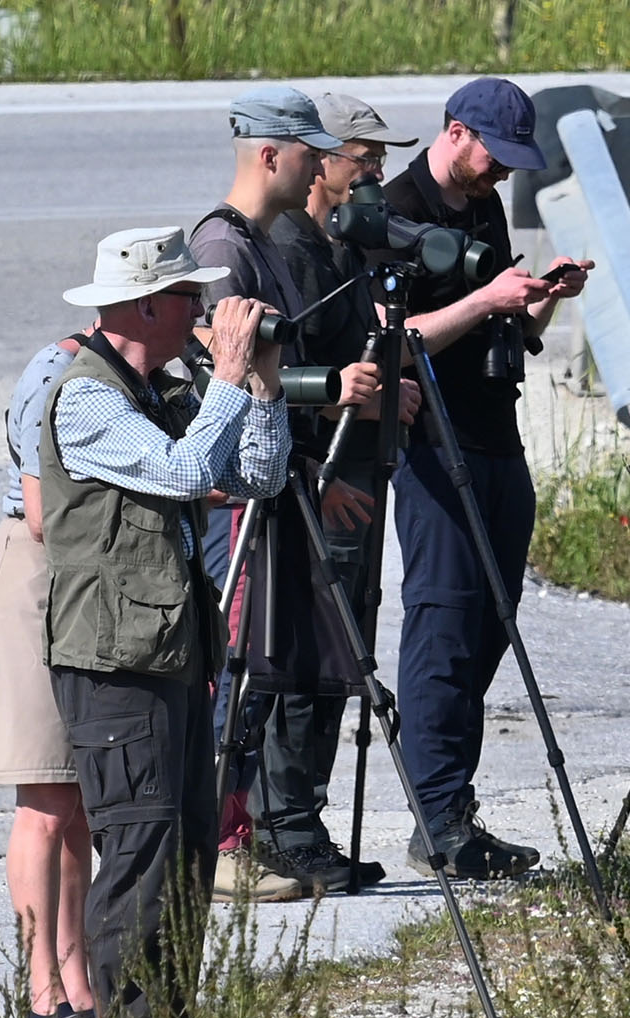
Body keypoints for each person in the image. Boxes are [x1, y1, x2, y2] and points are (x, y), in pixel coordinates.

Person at [40, 226, 290, 1018]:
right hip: (113, 667)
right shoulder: (87, 399)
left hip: (172, 654)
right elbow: (187, 477)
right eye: (190, 300)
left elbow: (254, 477)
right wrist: (224, 376)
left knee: (183, 868)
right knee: (141, 864)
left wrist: (257, 386)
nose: (203, 313)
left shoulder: (159, 391)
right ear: (146, 304)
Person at [378, 77, 592, 879]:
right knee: (443, 625)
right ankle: (438, 820)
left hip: (495, 437)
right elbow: (394, 341)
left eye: (512, 163)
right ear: (457, 132)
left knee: (492, 622)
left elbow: (499, 320)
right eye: (494, 157)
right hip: (435, 446)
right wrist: (485, 297)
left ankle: (452, 809)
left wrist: (539, 301)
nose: (502, 174)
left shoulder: (482, 206)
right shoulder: (396, 210)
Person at [189, 85, 386, 900]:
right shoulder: (222, 247)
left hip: (275, 480)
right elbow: (222, 377)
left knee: (266, 664)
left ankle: (247, 832)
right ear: (271, 154)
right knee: (237, 667)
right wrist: (329, 391)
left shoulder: (256, 242)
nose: (316, 161)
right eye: (306, 147)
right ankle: (217, 841)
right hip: (239, 495)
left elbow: (270, 377)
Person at [252, 90, 424, 891]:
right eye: (365, 160)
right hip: (313, 479)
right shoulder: (284, 247)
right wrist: (321, 467)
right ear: (323, 161)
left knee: (341, 651)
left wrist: (394, 386)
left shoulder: (343, 245)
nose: (376, 176)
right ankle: (282, 824)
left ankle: (304, 818)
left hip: (347, 471)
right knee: (309, 654)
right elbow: (265, 376)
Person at [0, 333, 99, 1018]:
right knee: (44, 802)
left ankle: (77, 975)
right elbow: (46, 512)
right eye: (192, 306)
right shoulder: (60, 372)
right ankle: (40, 990)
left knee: (75, 797)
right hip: (34, 577)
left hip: (77, 581)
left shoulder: (132, 373)